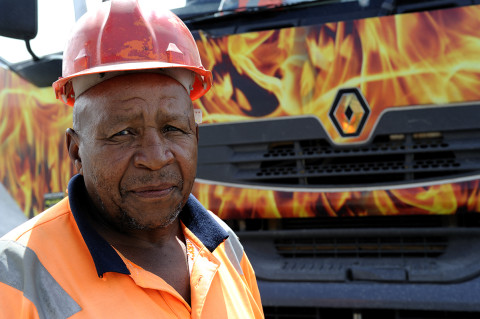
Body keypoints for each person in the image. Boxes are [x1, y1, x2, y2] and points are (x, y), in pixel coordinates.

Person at [0, 0, 264, 318]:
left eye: (173, 128)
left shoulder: (225, 247)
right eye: (123, 133)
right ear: (76, 151)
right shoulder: (16, 273)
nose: (155, 158)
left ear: (195, 137)